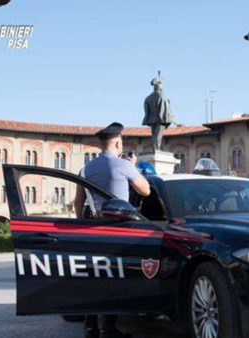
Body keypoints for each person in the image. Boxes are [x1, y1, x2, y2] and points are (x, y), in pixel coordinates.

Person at [73, 122, 151, 338]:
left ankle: (91, 328)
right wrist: (132, 166)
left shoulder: (85, 168)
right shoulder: (122, 165)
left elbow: (77, 202)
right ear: (117, 143)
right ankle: (108, 329)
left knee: (93, 279)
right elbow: (145, 191)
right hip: (117, 229)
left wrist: (80, 224)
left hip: (91, 228)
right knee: (113, 278)